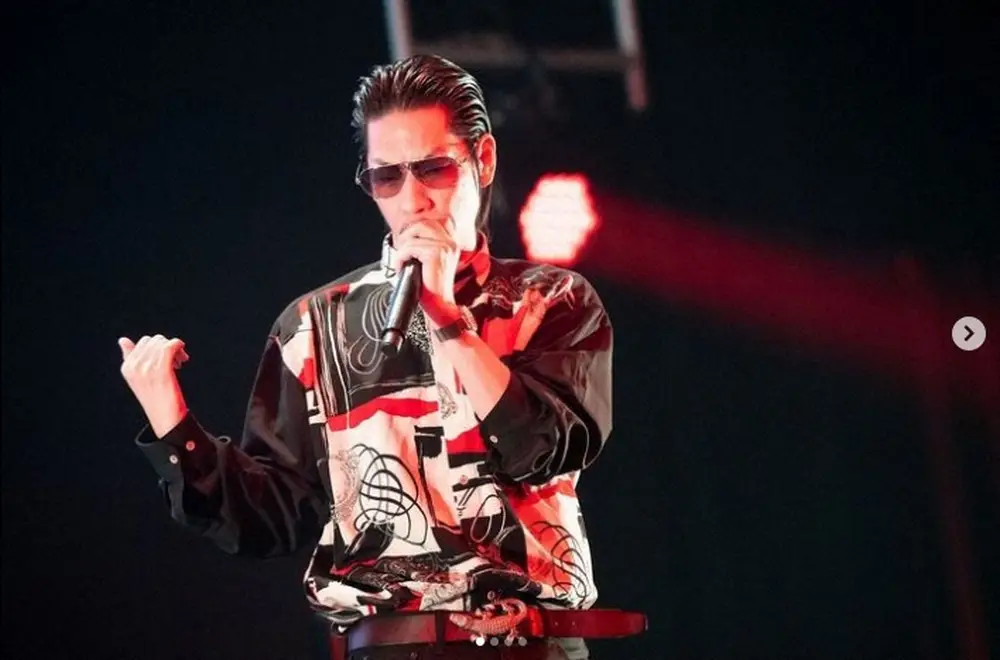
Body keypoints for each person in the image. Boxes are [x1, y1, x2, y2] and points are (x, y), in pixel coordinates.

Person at [118, 54, 613, 659]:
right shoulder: (313, 326)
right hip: (388, 645)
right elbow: (273, 519)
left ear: (482, 160)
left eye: (433, 169)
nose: (413, 199)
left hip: (527, 643)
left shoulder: (551, 301)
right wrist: (174, 428)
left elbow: (542, 448)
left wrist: (449, 322)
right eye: (386, 178)